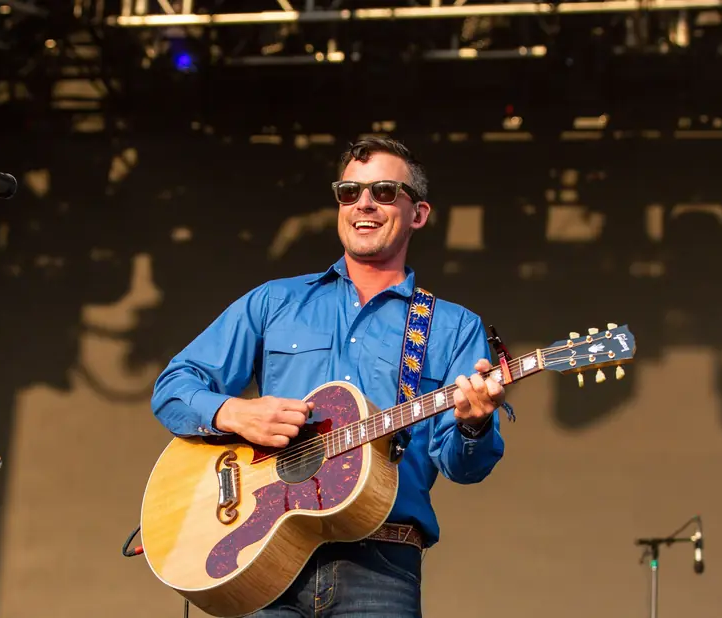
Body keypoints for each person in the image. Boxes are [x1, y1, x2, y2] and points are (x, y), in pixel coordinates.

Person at [150, 136, 507, 617]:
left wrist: (474, 424)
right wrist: (235, 412)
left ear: (418, 214)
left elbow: (466, 468)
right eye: (349, 191)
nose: (363, 203)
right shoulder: (275, 302)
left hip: (382, 563)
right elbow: (173, 387)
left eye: (383, 191)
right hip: (261, 551)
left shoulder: (451, 326)